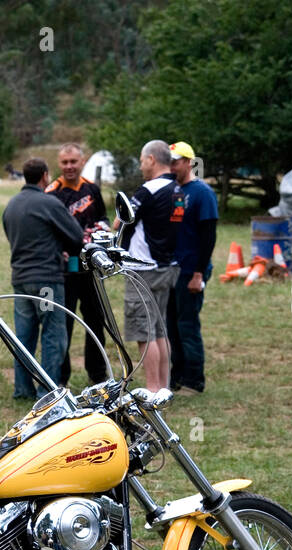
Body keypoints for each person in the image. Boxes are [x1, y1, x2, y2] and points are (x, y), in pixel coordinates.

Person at [1, 157, 84, 397]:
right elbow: (76, 236)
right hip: (47, 279)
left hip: (20, 279)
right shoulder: (50, 203)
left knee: (24, 335)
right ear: (45, 176)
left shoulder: (12, 204)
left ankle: (22, 389)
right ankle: (47, 390)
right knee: (52, 334)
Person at [117, 140, 179, 393]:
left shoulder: (148, 190)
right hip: (168, 267)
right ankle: (164, 388)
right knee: (160, 329)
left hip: (144, 269)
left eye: (142, 160)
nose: (141, 166)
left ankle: (153, 391)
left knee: (145, 333)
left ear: (152, 159)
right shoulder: (178, 189)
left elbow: (120, 220)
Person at [46, 143, 110, 385]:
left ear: (82, 162)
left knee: (95, 320)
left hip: (90, 266)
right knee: (64, 323)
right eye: (65, 162)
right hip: (65, 268)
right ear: (59, 164)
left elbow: (103, 218)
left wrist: (99, 229)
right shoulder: (52, 192)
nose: (69, 166)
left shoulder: (92, 189)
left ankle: (98, 374)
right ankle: (60, 379)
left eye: (73, 161)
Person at [165, 141, 218, 395]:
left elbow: (208, 236)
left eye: (176, 161)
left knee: (187, 325)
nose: (172, 165)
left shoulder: (202, 192)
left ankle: (194, 380)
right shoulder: (172, 189)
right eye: (169, 161)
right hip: (170, 269)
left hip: (191, 270)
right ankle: (176, 377)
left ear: (189, 162)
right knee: (171, 325)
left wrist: (198, 274)